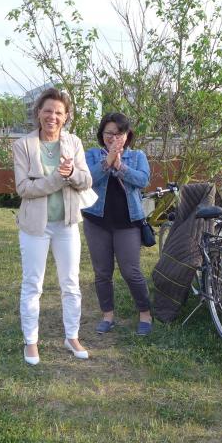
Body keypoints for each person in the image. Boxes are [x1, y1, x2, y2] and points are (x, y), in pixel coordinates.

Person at [13, 88, 93, 365]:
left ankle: (72, 336)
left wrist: (71, 174)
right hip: (35, 227)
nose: (53, 116)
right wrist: (57, 179)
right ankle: (31, 341)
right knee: (32, 284)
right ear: (38, 113)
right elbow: (24, 188)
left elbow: (86, 180)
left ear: (66, 116)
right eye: (47, 110)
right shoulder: (23, 145)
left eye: (59, 112)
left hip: (66, 225)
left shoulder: (74, 142)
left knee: (71, 284)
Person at [82, 112, 153, 336]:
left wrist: (121, 166)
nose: (114, 138)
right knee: (102, 272)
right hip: (96, 221)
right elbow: (87, 180)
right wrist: (107, 161)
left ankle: (145, 313)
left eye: (119, 133)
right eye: (109, 133)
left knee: (131, 271)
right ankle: (108, 315)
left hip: (127, 222)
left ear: (127, 135)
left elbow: (143, 180)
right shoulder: (92, 155)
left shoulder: (137, 156)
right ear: (102, 134)